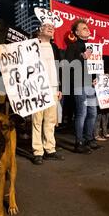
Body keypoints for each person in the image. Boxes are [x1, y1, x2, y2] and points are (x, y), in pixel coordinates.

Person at [30, 22, 64, 165]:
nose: (51, 28)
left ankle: (50, 149)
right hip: (37, 88)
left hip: (53, 88)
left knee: (50, 121)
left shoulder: (54, 47)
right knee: (37, 120)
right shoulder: (32, 45)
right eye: (47, 26)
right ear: (39, 30)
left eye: (52, 27)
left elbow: (58, 67)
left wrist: (59, 87)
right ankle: (38, 151)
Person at [65, 19, 99, 154]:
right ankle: (78, 142)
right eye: (84, 28)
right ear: (77, 32)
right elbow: (67, 65)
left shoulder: (92, 47)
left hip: (90, 86)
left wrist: (95, 77)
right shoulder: (72, 47)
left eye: (87, 27)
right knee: (82, 113)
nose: (87, 29)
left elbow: (93, 65)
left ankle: (89, 139)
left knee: (93, 112)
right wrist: (82, 57)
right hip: (79, 85)